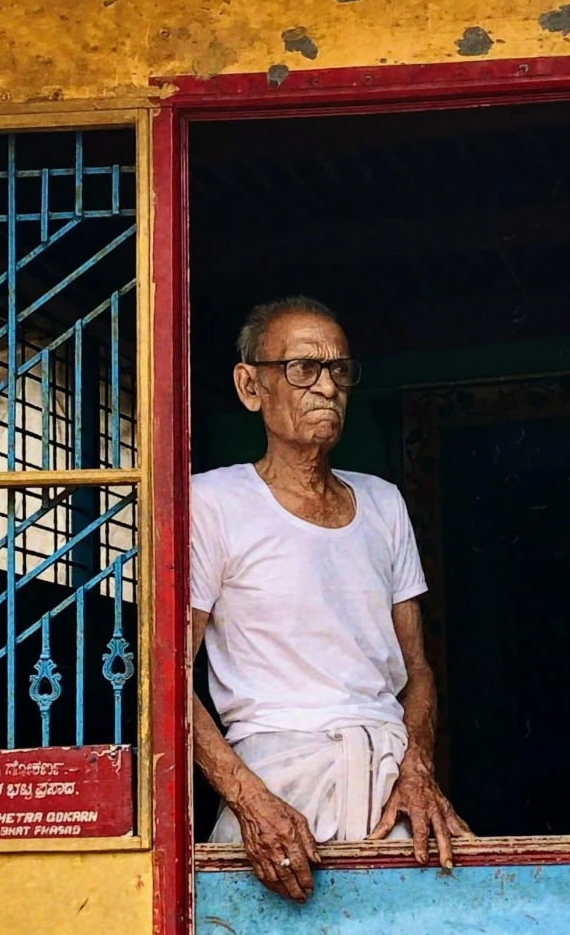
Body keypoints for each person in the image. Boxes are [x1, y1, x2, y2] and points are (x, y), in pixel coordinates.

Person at [191, 295, 470, 902]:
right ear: (250, 386)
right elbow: (163, 680)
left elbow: (417, 670)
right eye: (303, 369)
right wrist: (250, 801)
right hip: (275, 777)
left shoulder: (384, 503)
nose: (327, 386)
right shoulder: (211, 504)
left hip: (389, 778)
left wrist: (417, 770)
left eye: (340, 370)